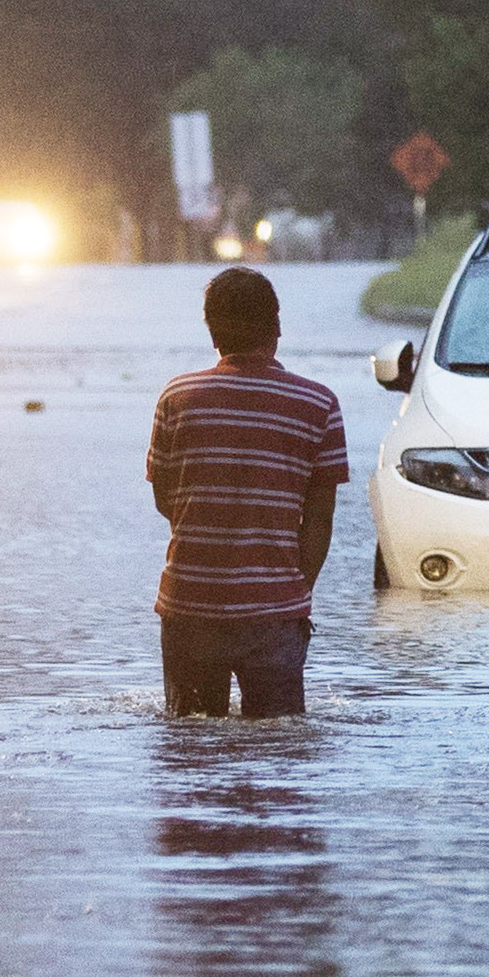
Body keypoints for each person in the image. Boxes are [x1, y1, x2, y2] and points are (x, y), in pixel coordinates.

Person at [146, 265, 347, 718]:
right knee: (278, 751)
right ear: (276, 327)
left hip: (190, 604)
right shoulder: (318, 405)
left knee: (192, 750)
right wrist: (293, 592)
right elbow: (319, 520)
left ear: (211, 333)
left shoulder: (177, 397)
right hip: (274, 613)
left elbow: (165, 498)